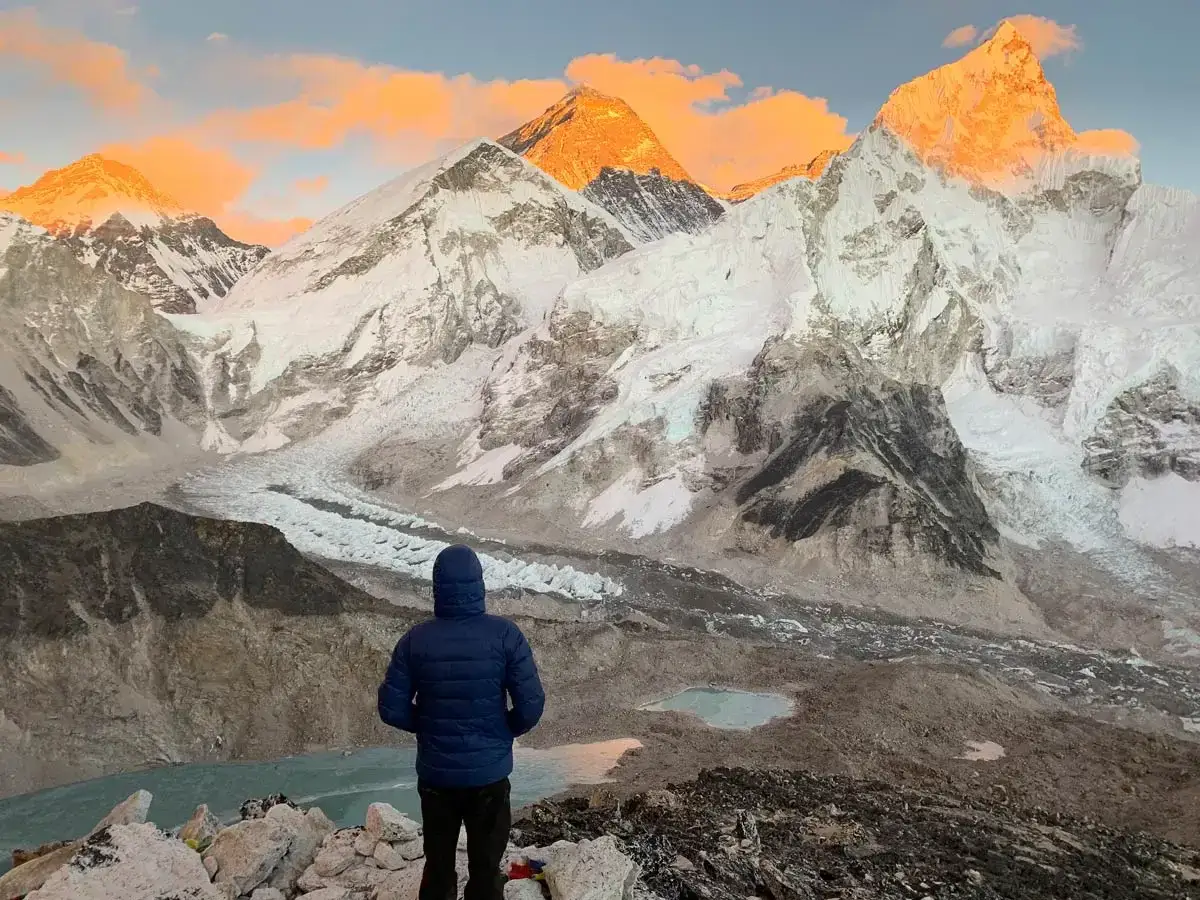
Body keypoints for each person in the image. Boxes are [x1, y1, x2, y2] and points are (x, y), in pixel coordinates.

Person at [378, 544, 546, 900]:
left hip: (437, 777)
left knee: (437, 866)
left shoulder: (415, 641)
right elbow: (530, 706)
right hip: (489, 777)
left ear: (437, 588)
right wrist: (502, 733)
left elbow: (391, 708)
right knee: (486, 868)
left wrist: (427, 726)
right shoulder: (505, 635)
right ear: (479, 584)